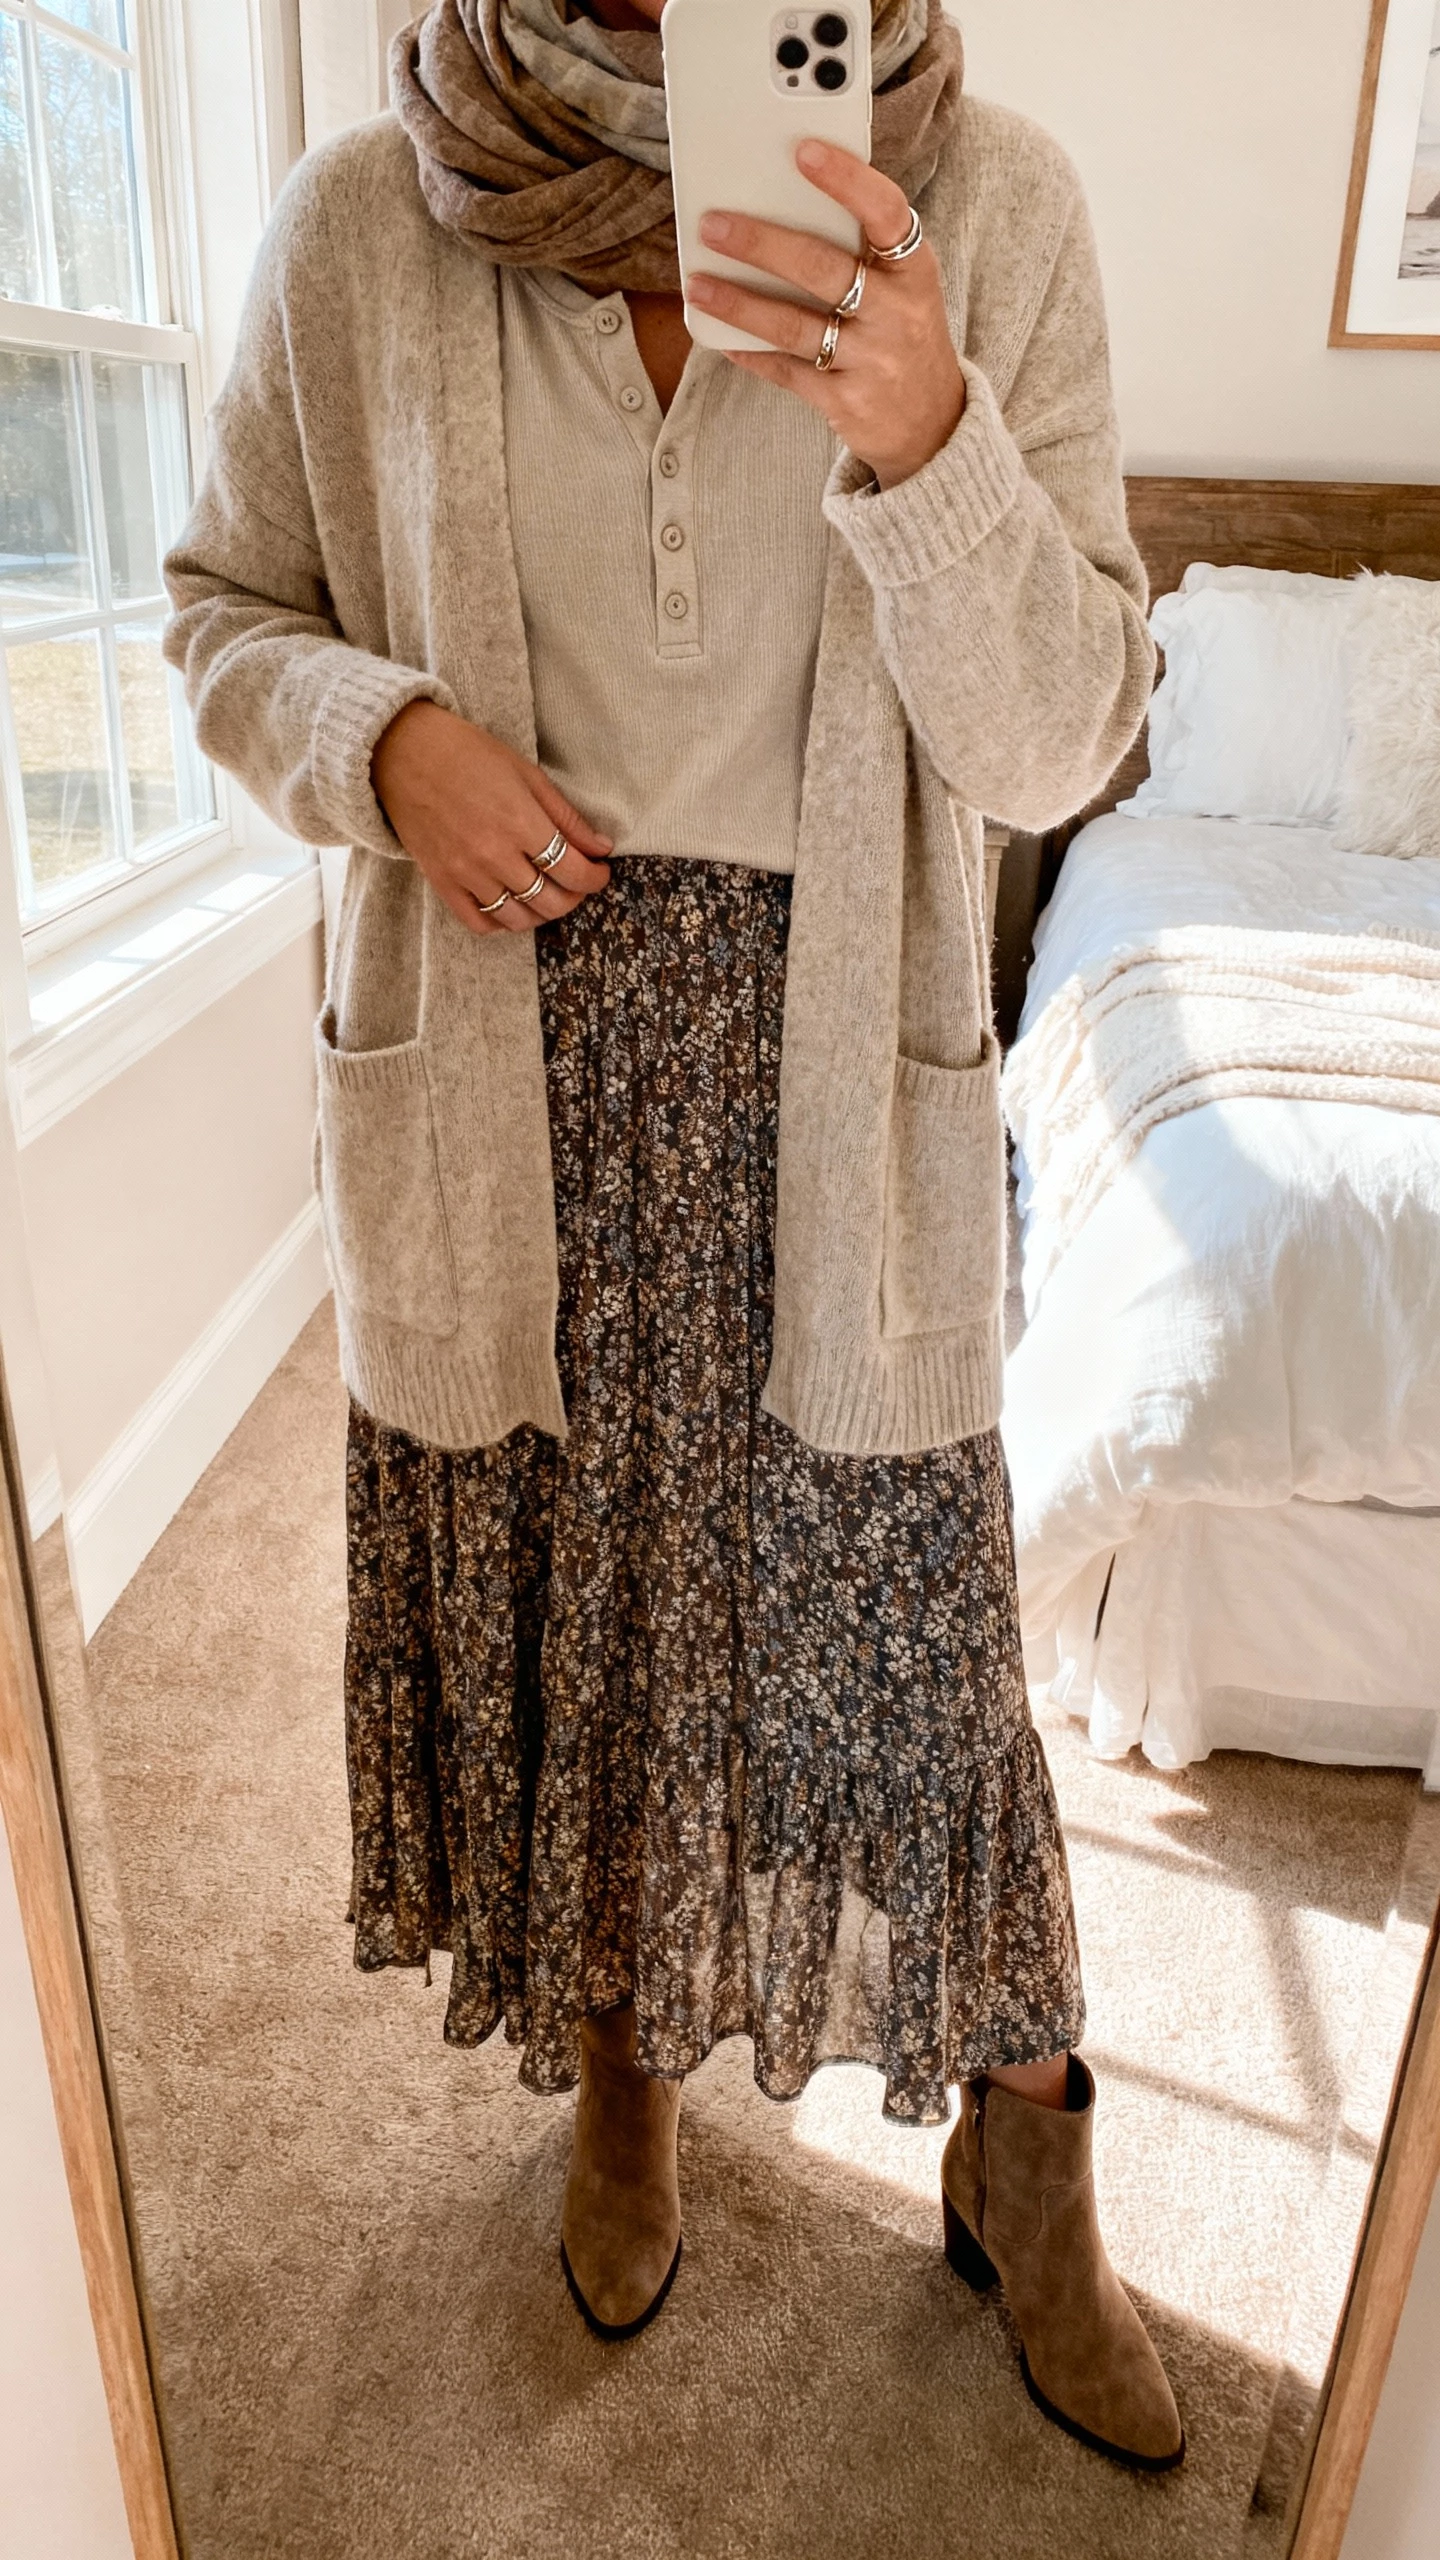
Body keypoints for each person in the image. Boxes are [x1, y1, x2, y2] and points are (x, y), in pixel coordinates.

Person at [165, 0, 1182, 2472]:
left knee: (905, 1653)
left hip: (842, 1083)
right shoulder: (360, 223)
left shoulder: (999, 208)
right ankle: (622, 2082)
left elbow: (1070, 741)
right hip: (509, 1057)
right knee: (581, 1625)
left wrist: (926, 436)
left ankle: (1025, 2147)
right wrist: (380, 744)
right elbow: (219, 615)